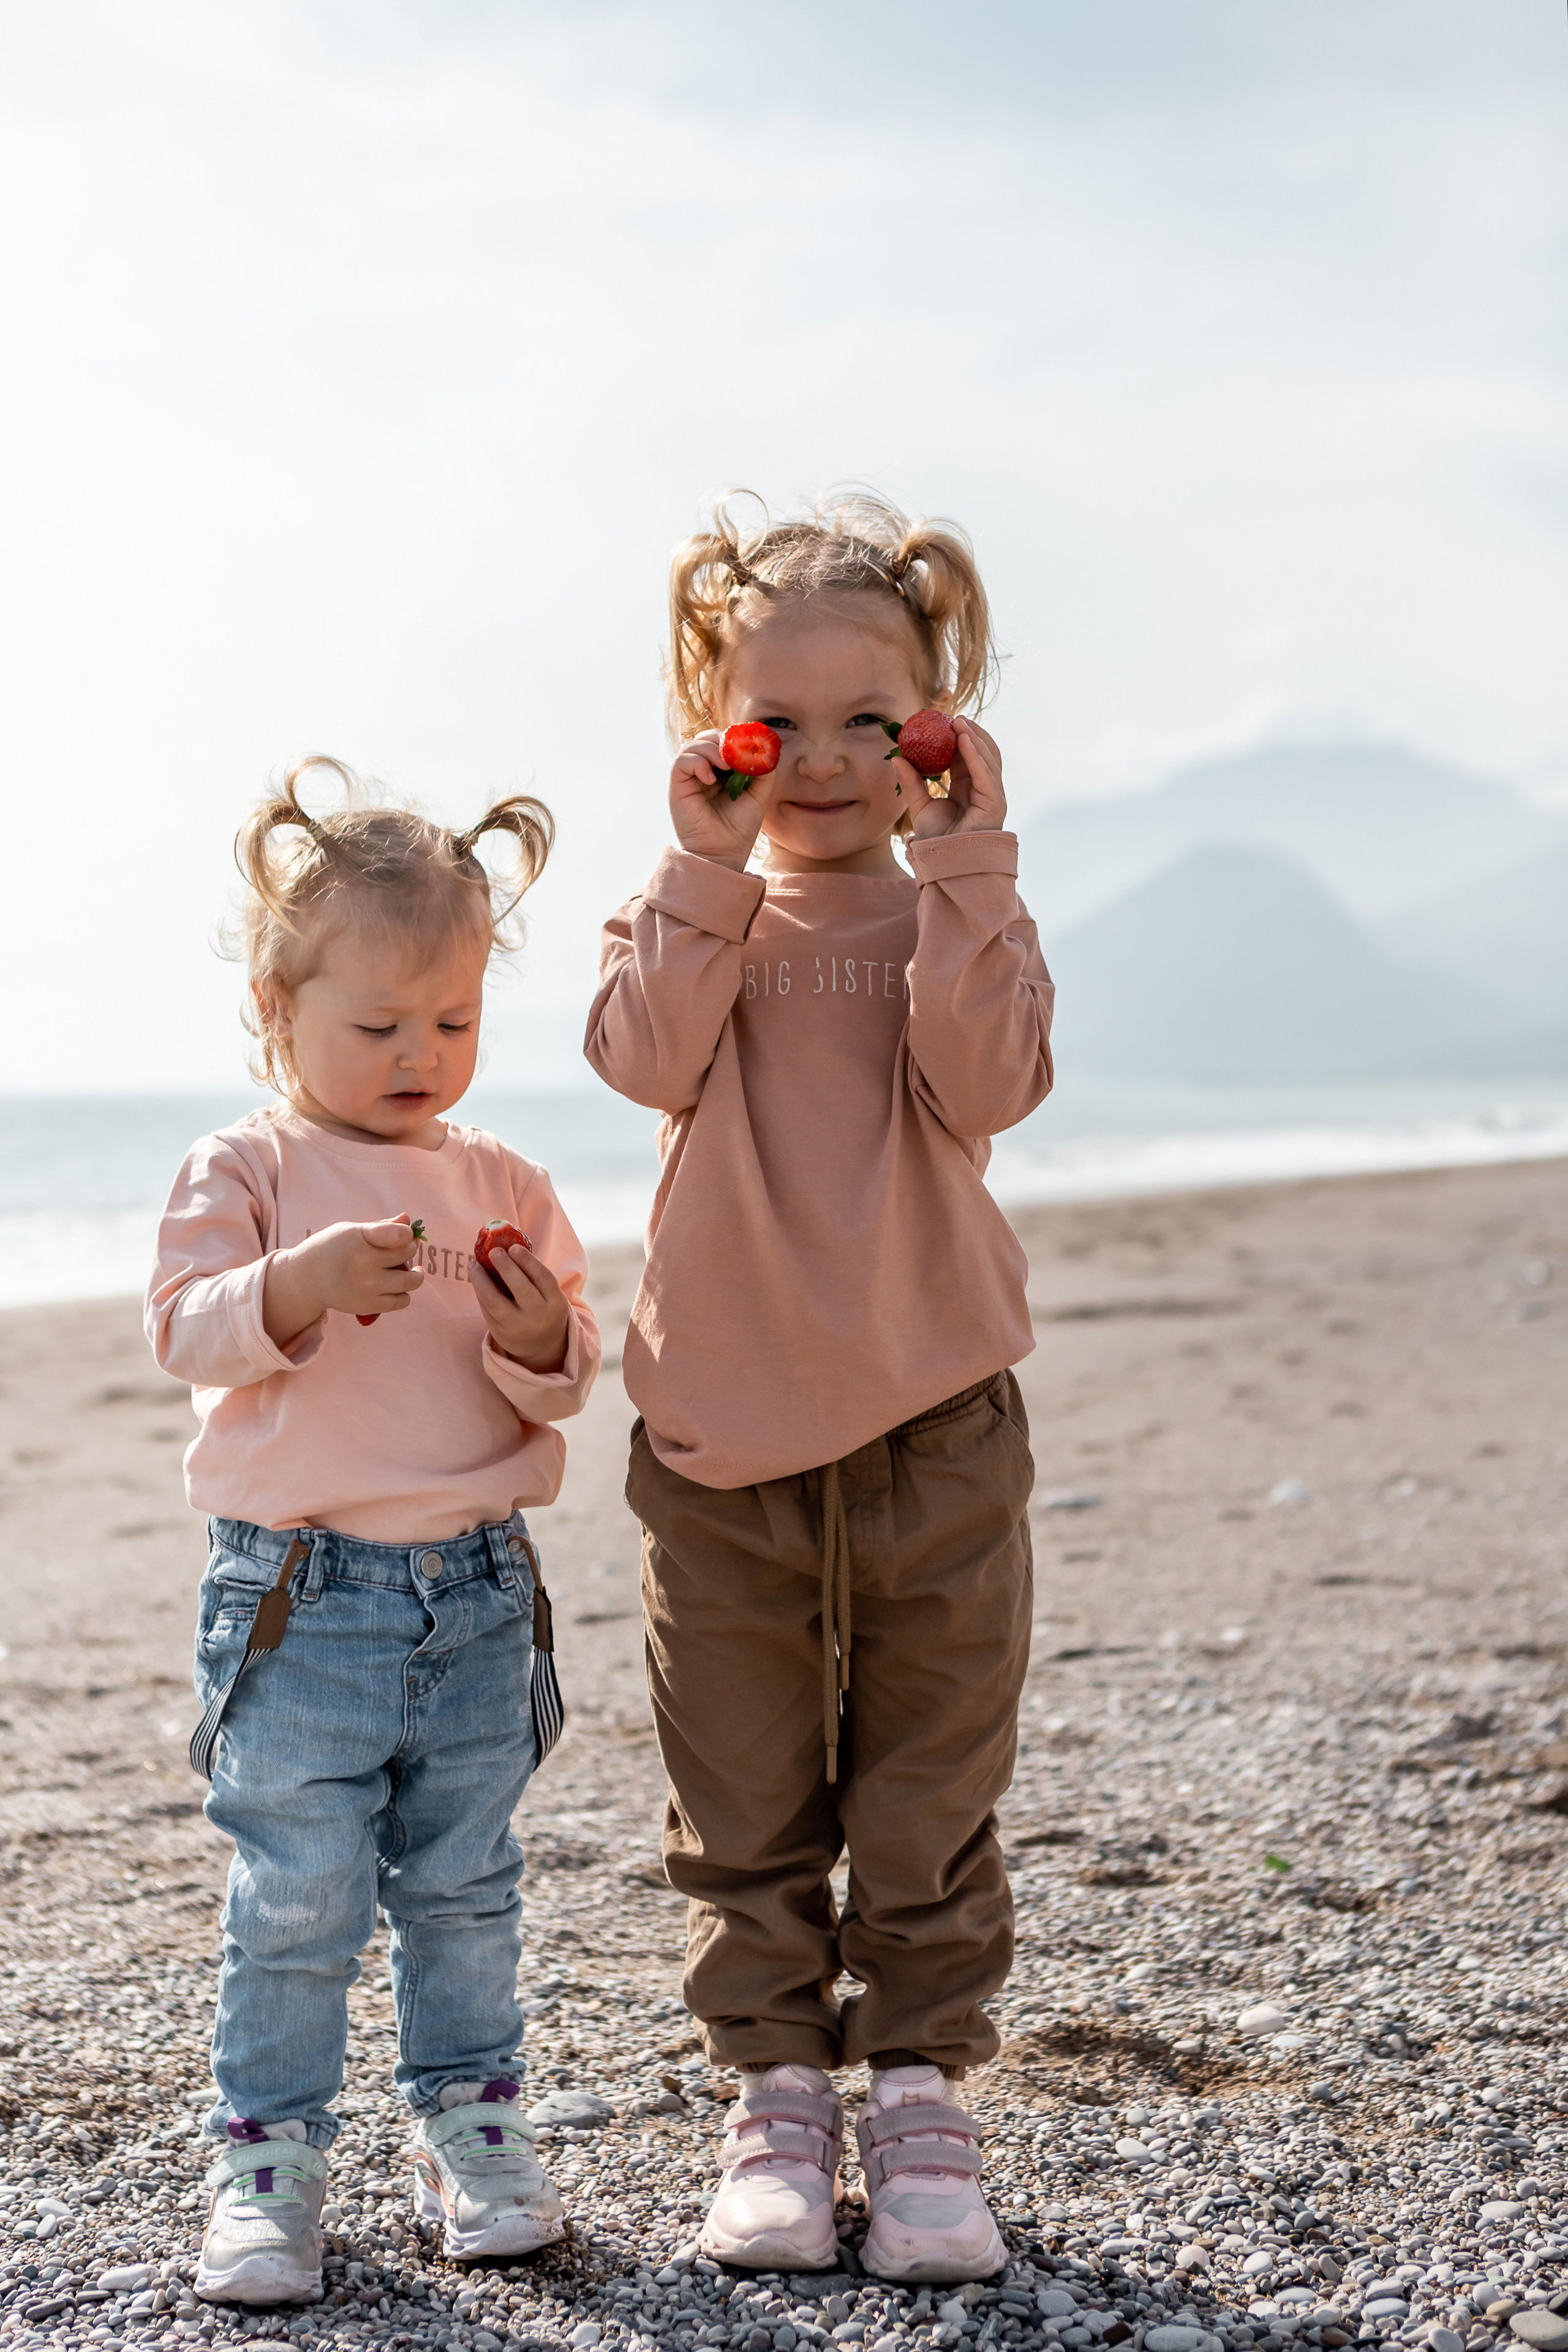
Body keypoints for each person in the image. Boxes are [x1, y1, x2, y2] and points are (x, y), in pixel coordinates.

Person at [585, 492, 1054, 2283]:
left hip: (936, 1419)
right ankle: (774, 2090)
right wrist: (702, 868)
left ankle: (923, 2087)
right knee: (746, 1787)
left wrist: (972, 869)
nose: (840, 761)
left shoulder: (961, 911)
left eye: (885, 720)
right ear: (718, 733)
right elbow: (644, 1059)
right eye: (787, 725)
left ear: (941, 728)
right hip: (720, 1436)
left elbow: (993, 1084)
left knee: (932, 1778)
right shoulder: (691, 908)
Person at [146, 758, 600, 2305]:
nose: (422, 1055)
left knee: (466, 1883)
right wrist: (296, 1286)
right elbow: (188, 1333)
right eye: (380, 1025)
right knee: (297, 1895)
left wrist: (538, 1333)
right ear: (278, 1011)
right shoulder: (250, 1170)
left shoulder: (504, 1183)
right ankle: (267, 2156)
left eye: (454, 1024)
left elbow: (570, 1376)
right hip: (297, 1597)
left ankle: (468, 2121)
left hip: (476, 1591)